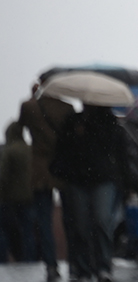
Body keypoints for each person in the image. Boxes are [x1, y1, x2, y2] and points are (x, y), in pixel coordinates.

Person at [49, 104, 131, 282]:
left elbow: (115, 149)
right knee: (80, 225)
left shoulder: (110, 122)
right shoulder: (73, 121)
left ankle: (103, 267)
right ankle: (83, 268)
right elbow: (63, 148)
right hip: (78, 178)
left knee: (102, 222)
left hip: (103, 179)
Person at [18, 83, 74, 280]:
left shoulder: (29, 106)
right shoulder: (68, 108)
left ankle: (51, 265)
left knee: (44, 219)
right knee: (70, 217)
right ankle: (75, 262)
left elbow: (21, 125)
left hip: (40, 168)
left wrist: (33, 98)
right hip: (63, 167)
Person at [0, 121, 35, 263]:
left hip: (10, 199)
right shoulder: (30, 149)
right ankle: (29, 260)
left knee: (4, 232)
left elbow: (2, 175)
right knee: (28, 232)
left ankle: (3, 260)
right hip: (30, 197)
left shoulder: (8, 151)